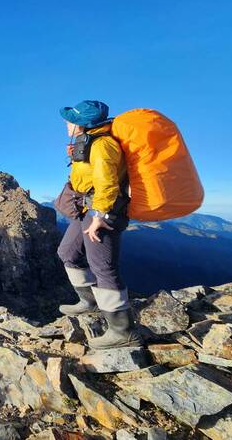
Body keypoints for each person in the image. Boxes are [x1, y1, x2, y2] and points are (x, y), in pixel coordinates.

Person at [56, 100, 142, 349]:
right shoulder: (88, 142)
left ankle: (123, 332)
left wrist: (99, 217)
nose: (67, 124)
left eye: (71, 120)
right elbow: (90, 176)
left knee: (103, 267)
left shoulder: (103, 145)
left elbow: (107, 184)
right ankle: (90, 302)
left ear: (83, 124)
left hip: (103, 211)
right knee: (68, 252)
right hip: (87, 208)